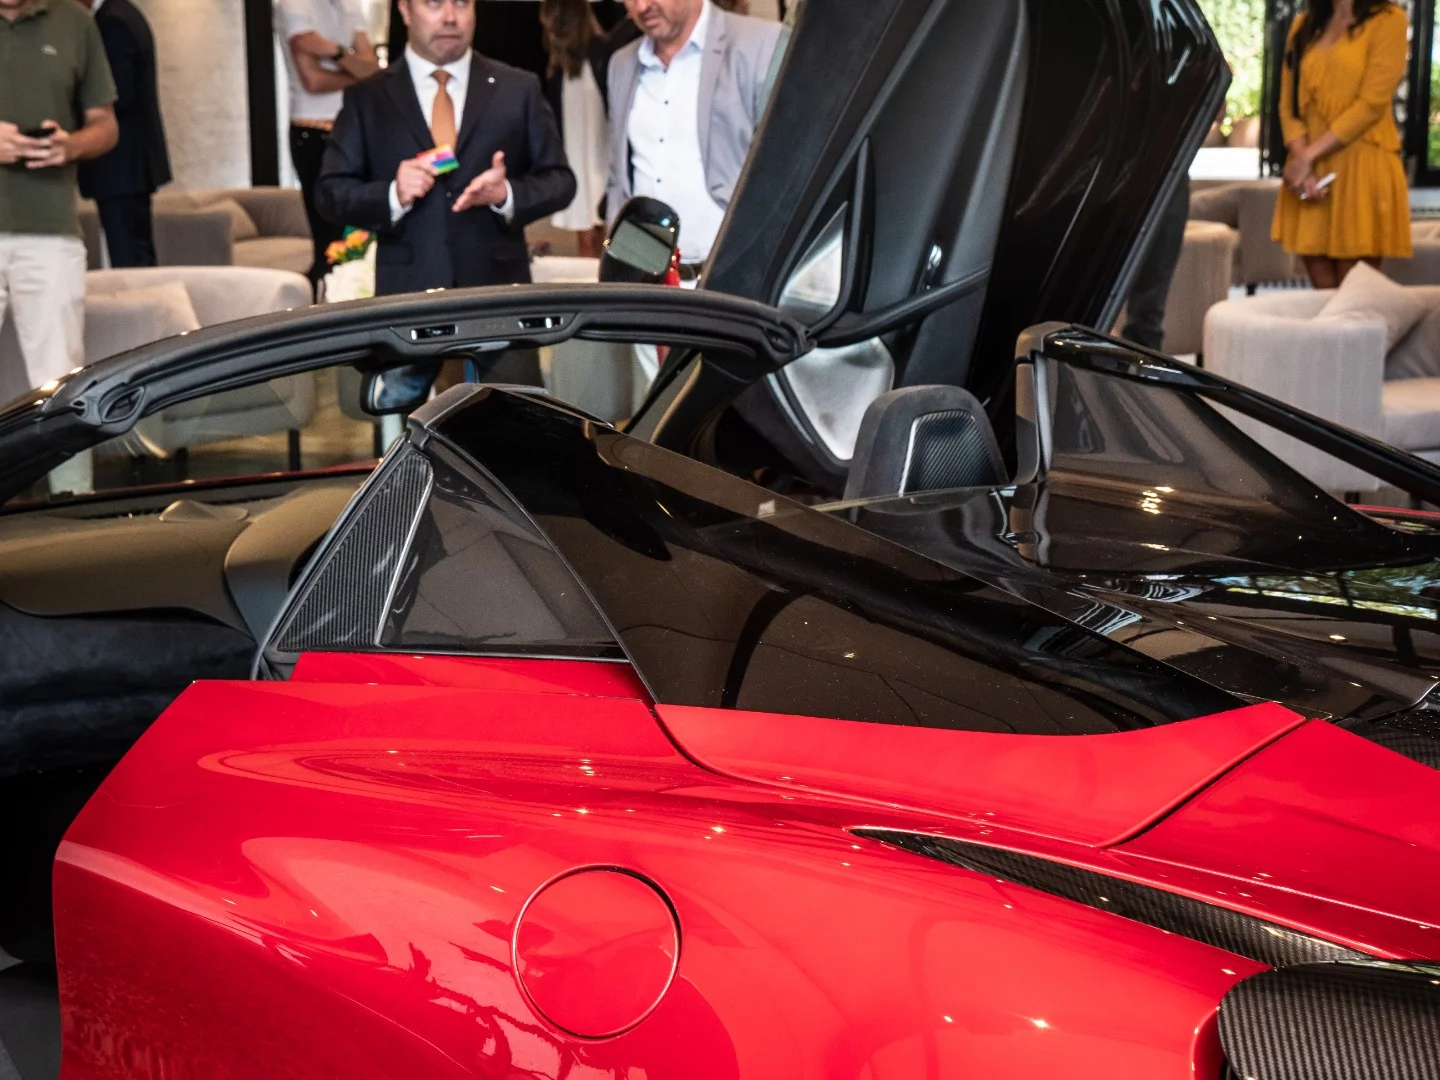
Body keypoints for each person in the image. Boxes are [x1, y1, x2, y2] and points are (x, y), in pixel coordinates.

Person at [316, 0, 574, 384]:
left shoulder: (517, 87)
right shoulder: (367, 98)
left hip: (499, 297)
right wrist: (392, 194)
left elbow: (560, 181)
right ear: (405, 11)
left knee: (515, 426)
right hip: (406, 302)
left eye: (462, 3)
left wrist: (507, 194)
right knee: (414, 435)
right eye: (434, 3)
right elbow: (330, 193)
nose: (450, 17)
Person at [605, 0, 782, 274]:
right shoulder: (622, 64)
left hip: (737, 274)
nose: (641, 7)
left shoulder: (761, 44)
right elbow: (618, 176)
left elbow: (788, 167)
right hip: (649, 280)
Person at [0, 0, 117, 395]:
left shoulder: (75, 22)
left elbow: (105, 125)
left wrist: (71, 146)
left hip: (50, 230)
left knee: (60, 390)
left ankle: (65, 462)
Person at [1273, 0, 1411, 289]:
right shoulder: (1303, 25)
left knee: (1352, 304)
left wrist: (1306, 157)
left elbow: (1371, 105)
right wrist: (1303, 162)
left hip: (1362, 167)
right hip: (1310, 171)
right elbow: (1288, 107)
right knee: (1324, 302)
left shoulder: (1389, 20)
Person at [275, 0, 380, 289]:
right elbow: (314, 81)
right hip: (313, 133)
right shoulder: (294, 6)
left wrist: (333, 51)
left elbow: (372, 70)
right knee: (330, 246)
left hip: (354, 130)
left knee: (359, 239)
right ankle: (319, 319)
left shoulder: (351, 5)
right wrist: (353, 67)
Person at [76, 0, 170, 269]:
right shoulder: (125, 12)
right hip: (130, 165)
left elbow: (115, 95)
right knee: (136, 254)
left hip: (121, 165)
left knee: (130, 259)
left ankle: (141, 311)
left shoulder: (111, 21)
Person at [541, 0, 610, 256]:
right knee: (592, 214)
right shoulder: (565, 64)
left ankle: (597, 276)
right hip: (588, 150)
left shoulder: (597, 56)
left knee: (592, 214)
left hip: (591, 148)